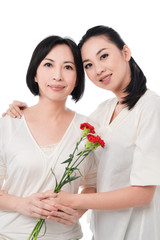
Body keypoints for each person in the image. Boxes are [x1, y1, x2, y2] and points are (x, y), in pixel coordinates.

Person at [4, 25, 160, 240]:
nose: (99, 69)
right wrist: (18, 113)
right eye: (89, 64)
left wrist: (72, 202)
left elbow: (143, 193)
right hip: (102, 231)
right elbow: (95, 179)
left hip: (138, 230)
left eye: (104, 56)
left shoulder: (151, 107)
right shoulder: (101, 113)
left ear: (125, 53)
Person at [0, 35, 98, 240]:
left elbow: (93, 184)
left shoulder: (88, 130)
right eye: (48, 65)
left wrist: (77, 212)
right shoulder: (9, 124)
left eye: (68, 67)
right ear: (34, 73)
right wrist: (22, 204)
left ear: (78, 78)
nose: (57, 76)